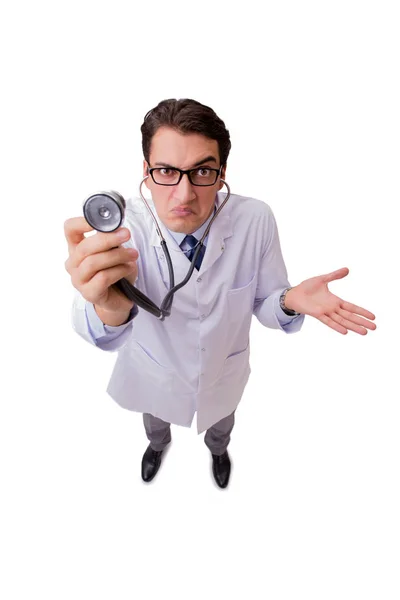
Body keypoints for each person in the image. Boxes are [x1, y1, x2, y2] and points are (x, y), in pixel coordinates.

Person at [64, 98, 377, 489]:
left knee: (221, 422)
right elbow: (96, 329)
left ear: (222, 172)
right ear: (146, 172)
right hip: (153, 368)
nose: (184, 195)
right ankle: (157, 447)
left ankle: (218, 450)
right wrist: (108, 307)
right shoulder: (121, 230)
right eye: (165, 171)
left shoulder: (255, 219)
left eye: (202, 172)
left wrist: (288, 300)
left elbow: (265, 303)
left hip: (222, 370)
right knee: (155, 419)